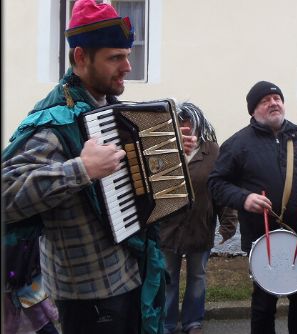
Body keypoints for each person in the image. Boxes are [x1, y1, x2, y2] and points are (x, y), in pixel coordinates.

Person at [2, 1, 196, 333]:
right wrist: (81, 170)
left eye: (128, 54)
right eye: (115, 58)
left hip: (132, 276)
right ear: (80, 57)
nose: (128, 66)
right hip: (87, 297)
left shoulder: (113, 114)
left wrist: (171, 156)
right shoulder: (51, 126)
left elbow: (134, 183)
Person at [208, 81, 297, 334]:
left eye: (278, 98)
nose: (274, 102)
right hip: (261, 238)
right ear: (254, 110)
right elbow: (216, 183)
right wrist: (244, 198)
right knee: (264, 306)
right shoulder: (238, 143)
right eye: (266, 100)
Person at [159, 102, 238, 334]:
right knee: (168, 278)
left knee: (197, 277)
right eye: (180, 122)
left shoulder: (212, 152)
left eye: (189, 122)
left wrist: (228, 224)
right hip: (168, 230)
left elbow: (222, 189)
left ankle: (193, 322)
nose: (185, 126)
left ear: (198, 123)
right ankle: (167, 323)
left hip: (200, 229)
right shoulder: (165, 150)